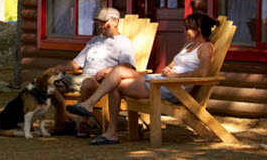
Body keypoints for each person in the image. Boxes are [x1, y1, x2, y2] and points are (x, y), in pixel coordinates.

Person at [66, 12, 217, 145]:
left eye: (188, 28)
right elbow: (173, 64)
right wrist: (168, 69)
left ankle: (101, 119)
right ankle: (98, 115)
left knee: (116, 83)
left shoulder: (206, 48)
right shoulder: (188, 46)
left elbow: (202, 72)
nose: (185, 31)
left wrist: (176, 76)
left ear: (198, 30)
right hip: (162, 80)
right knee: (118, 72)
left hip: (174, 88)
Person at [49, 7, 135, 137]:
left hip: (102, 81)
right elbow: (76, 63)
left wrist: (109, 69)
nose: (101, 26)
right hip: (81, 77)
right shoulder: (94, 41)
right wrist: (60, 68)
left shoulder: (123, 42)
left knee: (88, 83)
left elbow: (129, 65)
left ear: (116, 22)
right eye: (99, 23)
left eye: (104, 22)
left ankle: (84, 123)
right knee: (50, 83)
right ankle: (66, 120)